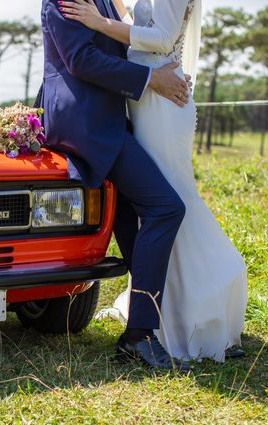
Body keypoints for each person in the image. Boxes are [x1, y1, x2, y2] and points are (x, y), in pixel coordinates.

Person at [59, 0, 248, 362]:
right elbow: (142, 26)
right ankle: (162, 315)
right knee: (156, 204)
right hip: (144, 99)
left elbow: (161, 38)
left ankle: (188, 315)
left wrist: (100, 23)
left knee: (170, 200)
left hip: (159, 102)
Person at [40, 0, 195, 371]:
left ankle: (155, 325)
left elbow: (130, 41)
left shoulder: (105, 0)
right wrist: (150, 80)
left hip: (113, 118)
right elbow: (81, 60)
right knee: (165, 208)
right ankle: (138, 335)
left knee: (132, 222)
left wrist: (163, 68)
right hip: (86, 123)